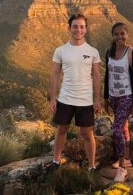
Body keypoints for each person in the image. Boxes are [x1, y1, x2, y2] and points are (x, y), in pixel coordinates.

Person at [49, 14, 101, 171]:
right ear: (69, 28)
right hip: (65, 98)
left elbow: (97, 76)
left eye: (81, 27)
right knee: (61, 130)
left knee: (87, 134)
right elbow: (55, 74)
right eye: (75, 26)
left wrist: (97, 99)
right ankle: (56, 161)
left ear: (86, 29)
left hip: (85, 100)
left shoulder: (92, 51)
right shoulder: (60, 51)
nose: (78, 30)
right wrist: (53, 98)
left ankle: (91, 166)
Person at [104, 22, 133, 183]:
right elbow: (108, 76)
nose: (120, 37)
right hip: (114, 97)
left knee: (116, 129)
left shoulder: (132, 53)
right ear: (112, 36)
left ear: (127, 35)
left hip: (127, 96)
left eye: (122, 34)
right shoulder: (109, 53)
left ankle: (122, 169)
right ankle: (126, 158)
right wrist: (105, 97)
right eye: (116, 34)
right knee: (124, 126)